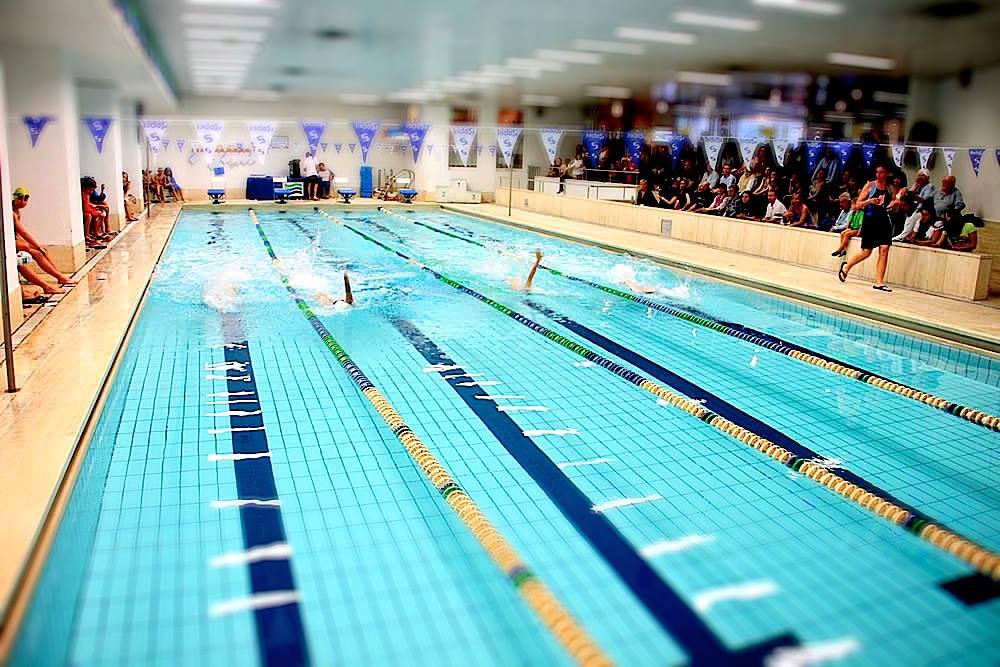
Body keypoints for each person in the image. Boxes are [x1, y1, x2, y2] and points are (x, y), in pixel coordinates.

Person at [838, 165, 895, 291]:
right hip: (870, 220)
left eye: (881, 172)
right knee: (867, 252)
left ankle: (879, 282)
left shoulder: (890, 188)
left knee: (884, 249)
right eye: (877, 172)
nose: (878, 175)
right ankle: (847, 267)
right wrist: (870, 201)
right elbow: (856, 205)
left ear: (887, 174)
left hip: (884, 220)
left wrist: (894, 204)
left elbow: (893, 203)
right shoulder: (870, 185)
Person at [12, 188, 71, 293]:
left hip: (14, 240)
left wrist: (36, 246)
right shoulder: (11, 213)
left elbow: (17, 234)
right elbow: (23, 233)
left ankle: (59, 276)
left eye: (25, 199)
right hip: (9, 243)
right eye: (20, 199)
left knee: (41, 251)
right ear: (15, 198)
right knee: (31, 253)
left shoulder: (17, 211)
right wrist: (35, 245)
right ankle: (52, 282)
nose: (22, 202)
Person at [81, 177, 109, 248]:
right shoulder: (84, 194)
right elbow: (86, 205)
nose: (91, 192)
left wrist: (96, 206)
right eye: (90, 189)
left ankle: (97, 232)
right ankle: (87, 235)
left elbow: (91, 203)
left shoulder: (88, 194)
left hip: (88, 209)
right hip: (86, 210)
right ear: (84, 188)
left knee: (101, 214)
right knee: (90, 216)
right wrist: (97, 206)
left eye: (93, 190)